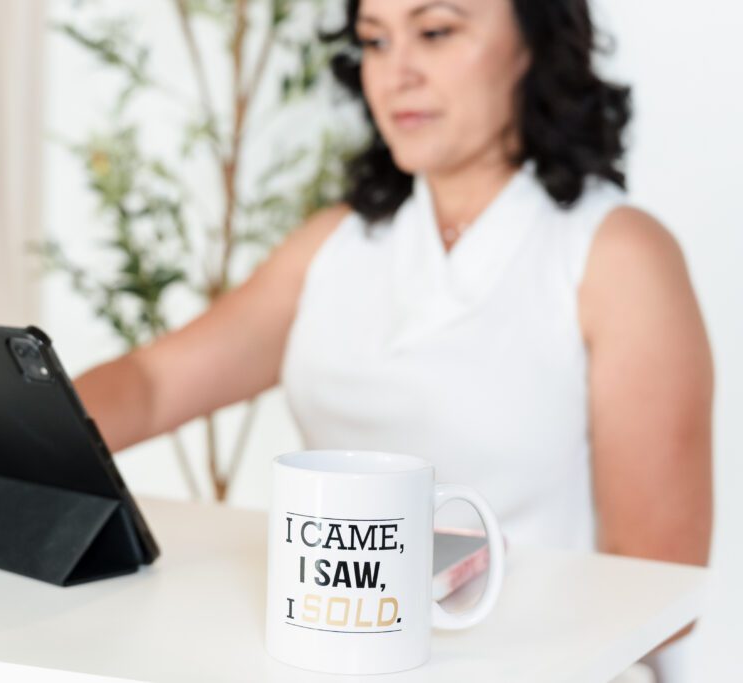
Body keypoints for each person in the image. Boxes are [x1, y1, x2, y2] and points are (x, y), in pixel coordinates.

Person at [73, 1, 713, 679]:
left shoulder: (615, 255)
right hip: (337, 650)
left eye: (435, 32)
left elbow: (661, 588)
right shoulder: (336, 245)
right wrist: (4, 432)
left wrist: (417, 585)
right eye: (375, 41)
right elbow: (152, 385)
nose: (395, 72)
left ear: (535, 42)